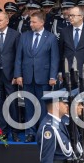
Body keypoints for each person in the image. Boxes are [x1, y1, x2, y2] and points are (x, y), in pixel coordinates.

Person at [14, 11, 59, 143]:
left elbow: (54, 59)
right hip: (27, 77)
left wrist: (52, 76)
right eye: (30, 21)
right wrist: (18, 75)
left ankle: (42, 131)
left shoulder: (50, 38)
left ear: (41, 23)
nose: (31, 24)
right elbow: (18, 57)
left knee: (43, 106)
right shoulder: (24, 36)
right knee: (29, 105)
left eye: (33, 22)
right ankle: (30, 132)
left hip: (44, 77)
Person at [0, 12, 21, 142]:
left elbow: (18, 56)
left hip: (11, 75)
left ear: (7, 21)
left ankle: (15, 131)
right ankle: (3, 131)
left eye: (0, 20)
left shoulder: (15, 35)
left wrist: (17, 74)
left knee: (12, 103)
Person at [59, 6, 84, 84]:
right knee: (68, 95)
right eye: (69, 16)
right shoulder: (64, 31)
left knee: (83, 95)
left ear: (81, 17)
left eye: (73, 15)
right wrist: (60, 71)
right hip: (67, 71)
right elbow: (60, 52)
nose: (70, 18)